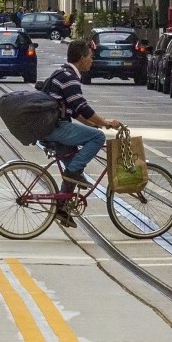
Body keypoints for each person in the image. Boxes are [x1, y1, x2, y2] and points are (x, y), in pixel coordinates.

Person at [37, 41, 123, 226]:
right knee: (96, 140)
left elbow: (75, 112)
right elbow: (82, 107)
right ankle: (73, 173)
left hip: (50, 126)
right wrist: (105, 123)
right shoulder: (69, 77)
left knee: (74, 165)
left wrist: (95, 124)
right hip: (56, 127)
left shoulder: (63, 72)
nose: (92, 61)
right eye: (90, 57)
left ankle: (61, 207)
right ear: (82, 58)